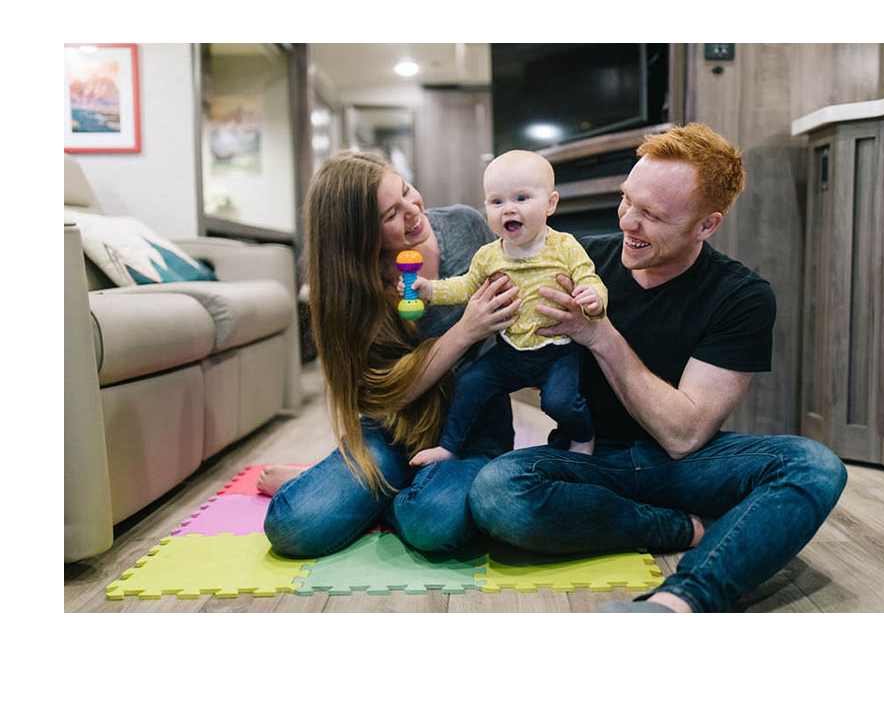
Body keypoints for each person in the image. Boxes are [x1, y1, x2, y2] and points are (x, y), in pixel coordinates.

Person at [467, 123, 848, 613]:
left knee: (815, 465)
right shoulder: (578, 259)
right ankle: (689, 528)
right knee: (496, 492)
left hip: (685, 467)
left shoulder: (742, 297)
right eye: (628, 200)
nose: (628, 221)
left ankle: (677, 603)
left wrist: (598, 334)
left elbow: (684, 434)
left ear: (706, 225)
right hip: (585, 460)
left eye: (652, 215)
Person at [260, 150, 522, 558]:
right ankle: (379, 490)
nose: (414, 212)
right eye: (390, 216)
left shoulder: (466, 228)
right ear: (360, 237)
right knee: (291, 525)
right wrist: (465, 330)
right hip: (393, 431)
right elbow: (379, 396)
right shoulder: (349, 293)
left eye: (405, 191)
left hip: (470, 432)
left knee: (434, 524)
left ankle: (376, 501)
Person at [408, 150, 607, 466]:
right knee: (470, 382)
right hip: (510, 350)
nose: (508, 209)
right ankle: (449, 446)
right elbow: (465, 285)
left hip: (556, 351)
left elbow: (590, 278)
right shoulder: (488, 255)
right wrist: (431, 289)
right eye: (496, 202)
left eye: (522, 198)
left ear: (550, 204)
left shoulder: (565, 246)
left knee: (561, 402)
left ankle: (582, 435)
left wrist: (594, 298)